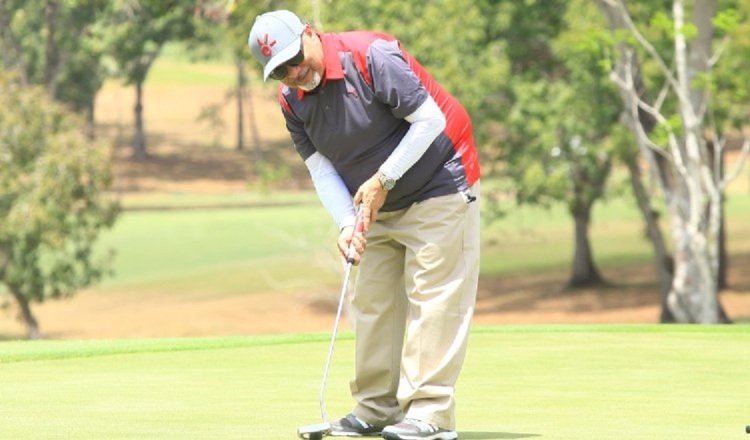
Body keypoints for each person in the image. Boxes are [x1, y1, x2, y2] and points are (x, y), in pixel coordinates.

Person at [248, 10, 480, 440]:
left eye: (296, 57)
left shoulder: (371, 56)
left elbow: (431, 121)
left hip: (440, 181)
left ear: (310, 35)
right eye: (280, 69)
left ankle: (431, 414)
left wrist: (383, 180)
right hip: (373, 200)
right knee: (371, 300)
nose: (295, 72)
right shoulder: (291, 101)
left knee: (433, 298)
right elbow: (321, 169)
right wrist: (345, 224)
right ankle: (376, 409)